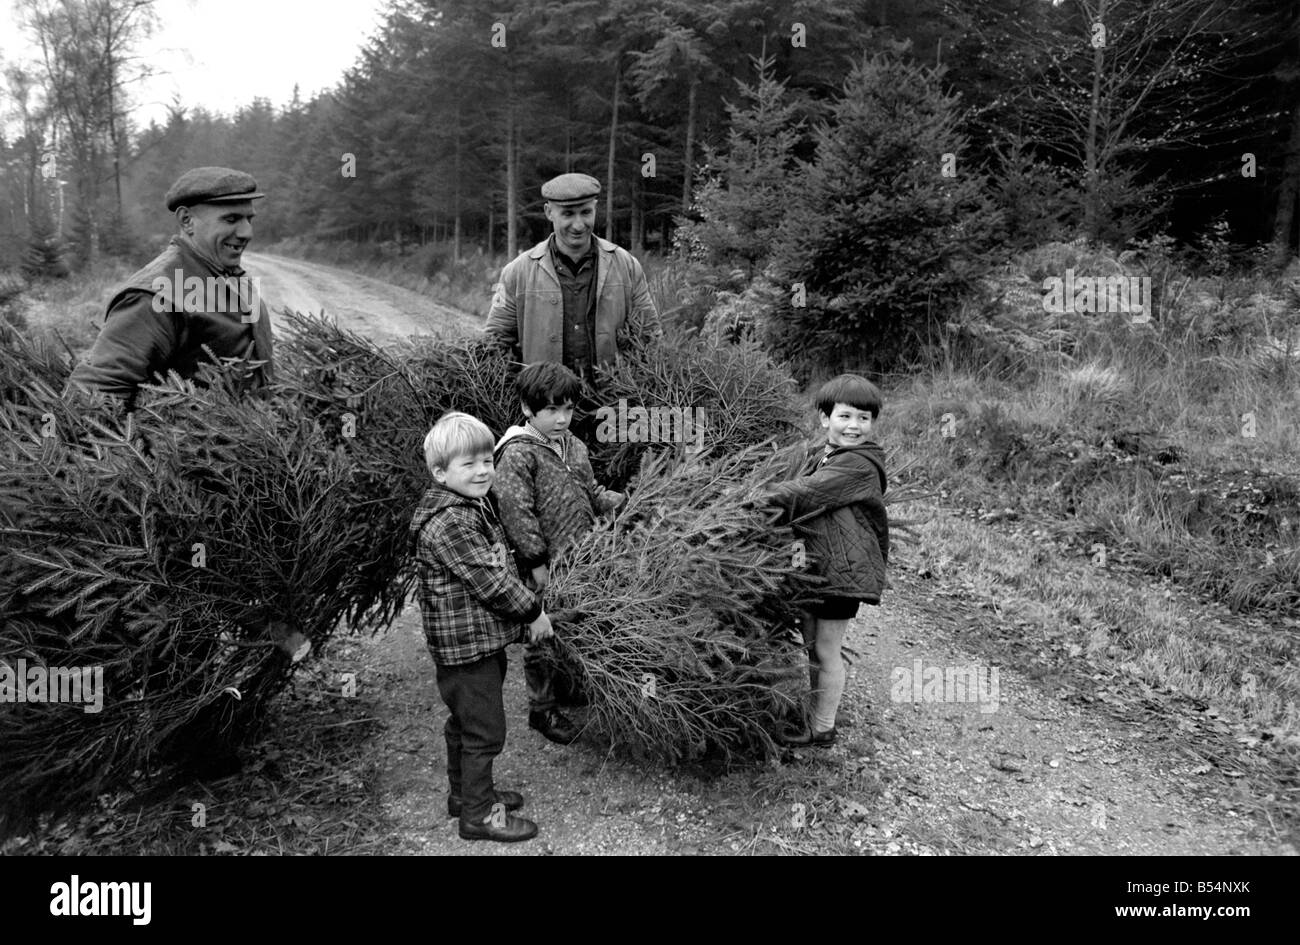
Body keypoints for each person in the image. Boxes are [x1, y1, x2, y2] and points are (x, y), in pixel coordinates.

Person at [409, 411, 555, 842]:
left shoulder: (466, 505)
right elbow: (491, 583)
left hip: (475, 643)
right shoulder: (452, 522)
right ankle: (478, 817)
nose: (482, 471)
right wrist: (533, 612)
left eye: (486, 461)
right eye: (468, 464)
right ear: (440, 472)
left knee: (465, 723)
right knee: (484, 731)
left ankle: (464, 795)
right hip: (465, 650)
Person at [491, 362, 624, 745]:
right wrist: (536, 562)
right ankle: (541, 708)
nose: (562, 418)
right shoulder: (518, 454)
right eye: (552, 410)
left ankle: (566, 688)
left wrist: (622, 502)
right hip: (543, 564)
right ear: (528, 409)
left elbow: (592, 490)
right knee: (541, 633)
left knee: (571, 621)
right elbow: (516, 511)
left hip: (578, 557)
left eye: (568, 409)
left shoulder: (574, 446)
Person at [67, 166, 273, 410]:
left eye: (249, 219)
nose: (247, 232)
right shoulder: (156, 296)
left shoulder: (227, 273)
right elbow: (91, 399)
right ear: (187, 221)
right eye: (231, 219)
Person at [483, 172, 661, 440]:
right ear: (548, 212)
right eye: (568, 214)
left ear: (595, 210)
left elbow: (650, 339)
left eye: (586, 212)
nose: (578, 225)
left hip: (610, 414)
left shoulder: (626, 266)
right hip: (544, 419)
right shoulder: (517, 272)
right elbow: (494, 345)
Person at [763, 375, 890, 747]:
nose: (854, 426)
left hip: (843, 572)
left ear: (873, 423)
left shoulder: (860, 465)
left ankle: (823, 728)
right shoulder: (826, 454)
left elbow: (806, 493)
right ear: (825, 418)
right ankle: (817, 717)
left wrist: (751, 495)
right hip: (819, 568)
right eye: (845, 416)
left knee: (826, 649)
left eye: (864, 419)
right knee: (812, 644)